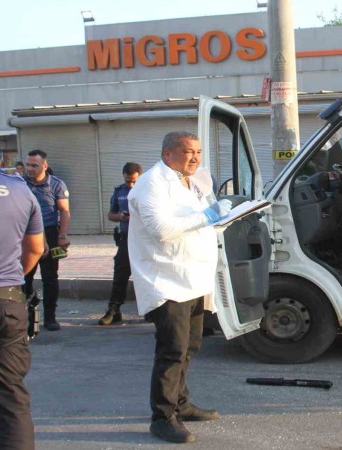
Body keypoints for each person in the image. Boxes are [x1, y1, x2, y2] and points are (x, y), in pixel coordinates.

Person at [127, 131, 231, 444]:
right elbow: (161, 229)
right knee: (172, 350)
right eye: (188, 151)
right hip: (167, 280)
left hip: (194, 279)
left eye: (198, 151)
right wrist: (206, 216)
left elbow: (200, 221)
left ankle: (181, 403)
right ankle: (162, 418)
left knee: (190, 346)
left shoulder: (193, 181)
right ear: (168, 154)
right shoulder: (152, 182)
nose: (195, 157)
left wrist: (224, 217)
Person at [0, 146, 45, 450]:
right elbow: (36, 248)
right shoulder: (20, 190)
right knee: (10, 395)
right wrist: (13, 280)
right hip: (7, 300)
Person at [23, 149, 71, 332]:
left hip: (50, 233)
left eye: (34, 165)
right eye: (28, 165)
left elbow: (64, 211)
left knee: (50, 278)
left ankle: (50, 317)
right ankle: (27, 317)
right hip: (25, 235)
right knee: (24, 277)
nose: (29, 169)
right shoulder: (20, 183)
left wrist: (62, 235)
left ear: (44, 166)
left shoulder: (56, 184)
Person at [98, 162, 143, 326]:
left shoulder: (148, 190)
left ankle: (151, 311)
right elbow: (111, 215)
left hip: (144, 240)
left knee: (147, 275)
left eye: (134, 181)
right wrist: (121, 217)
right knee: (120, 274)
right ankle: (114, 310)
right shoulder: (119, 191)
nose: (130, 185)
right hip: (126, 238)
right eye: (127, 181)